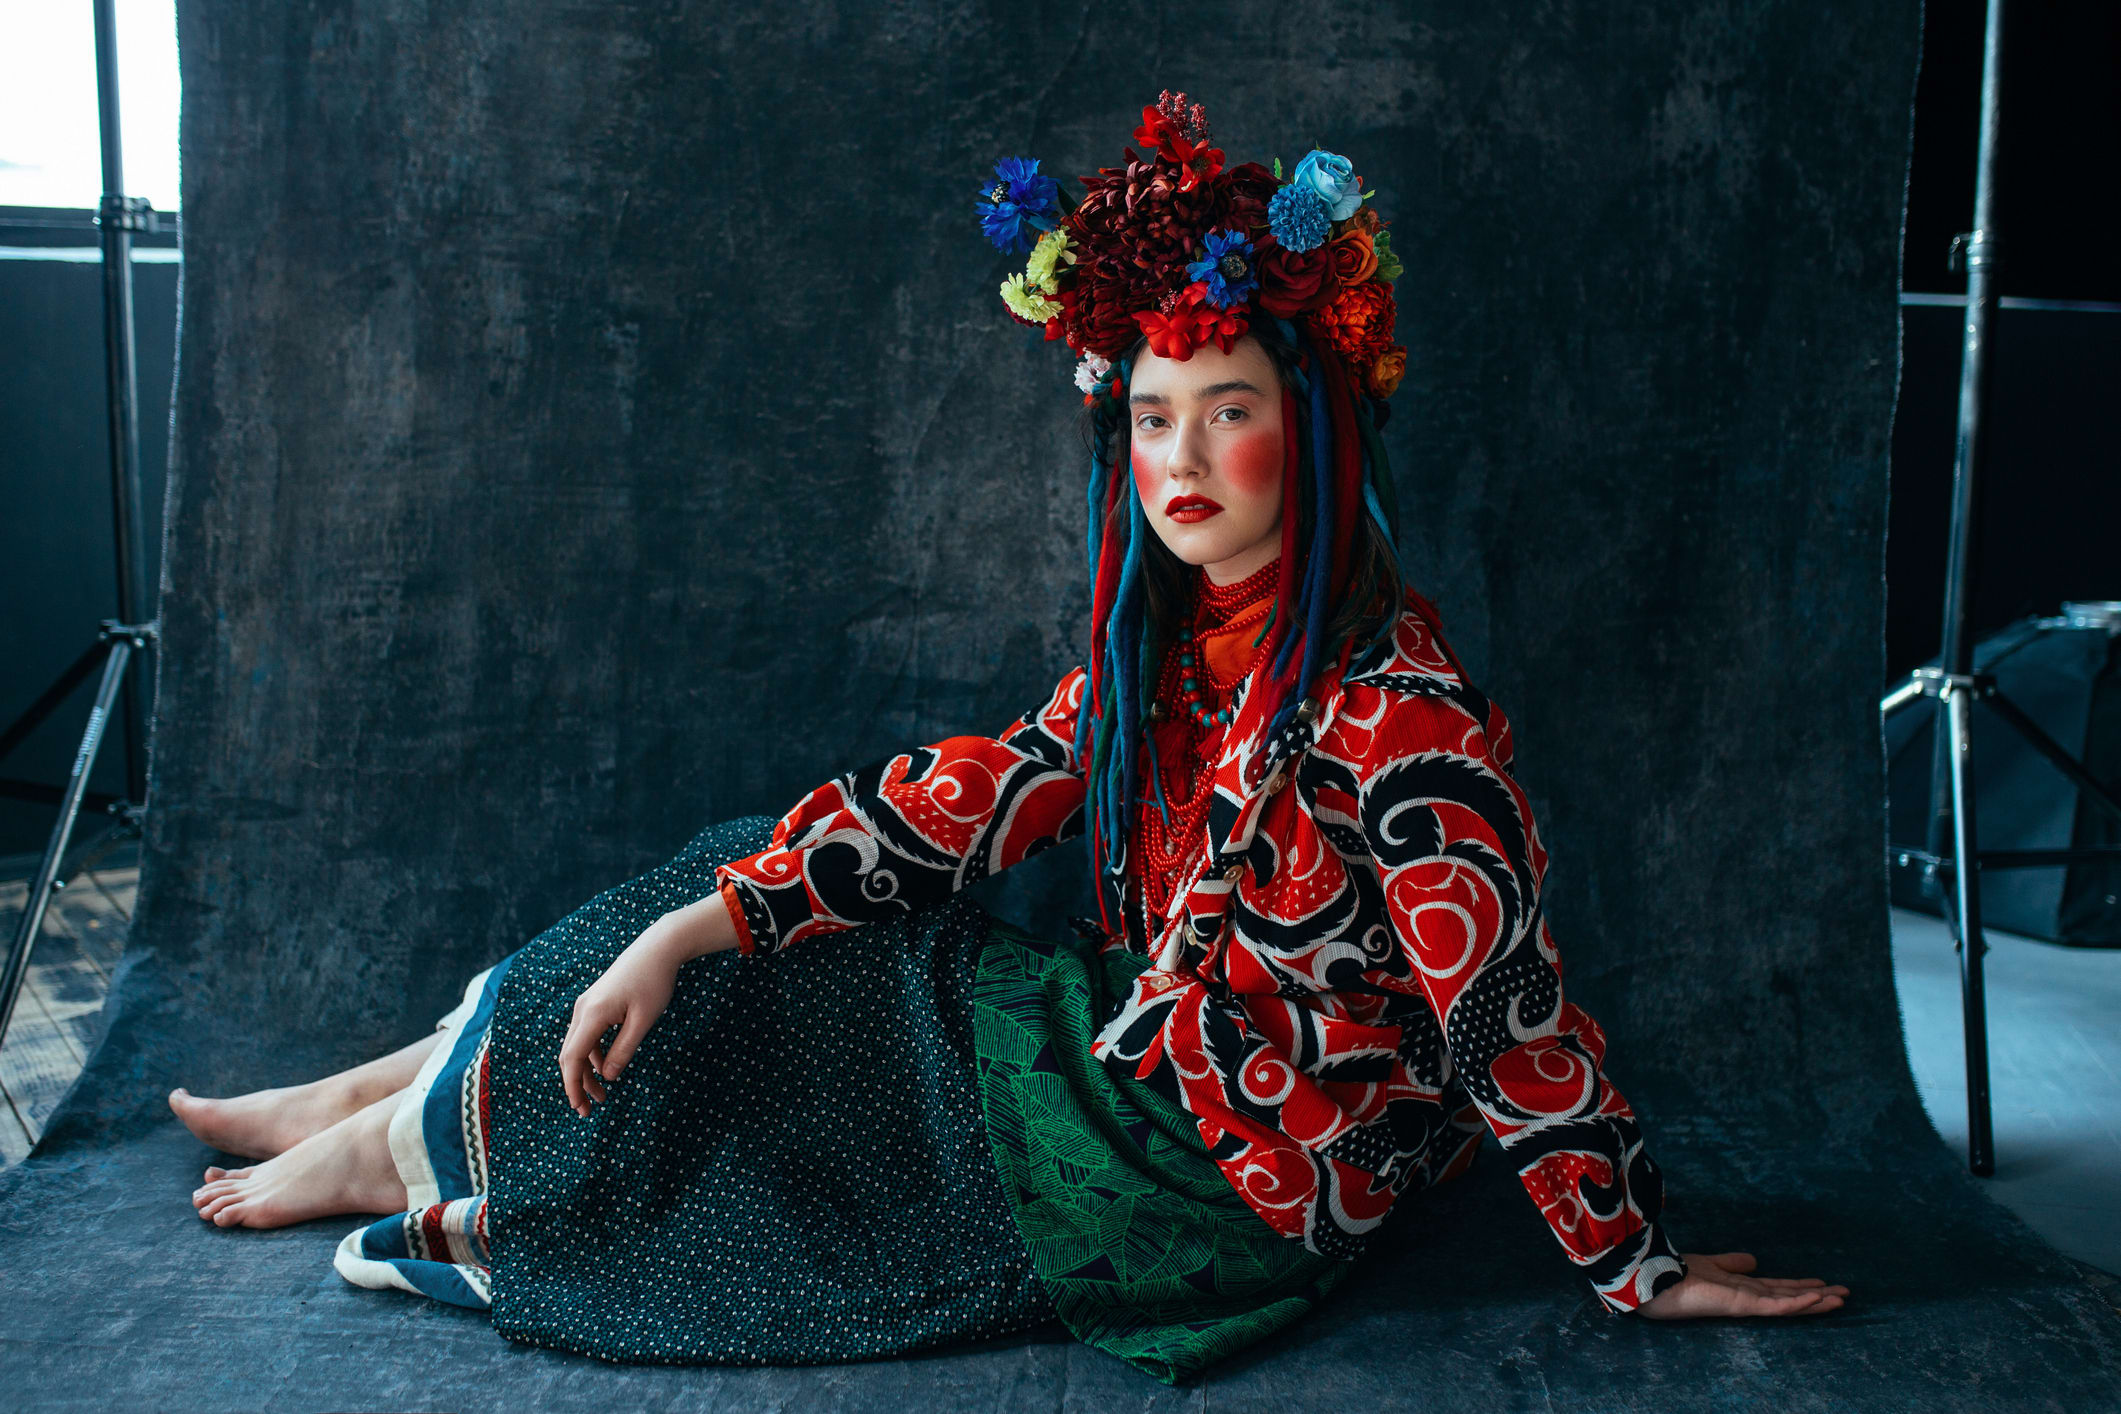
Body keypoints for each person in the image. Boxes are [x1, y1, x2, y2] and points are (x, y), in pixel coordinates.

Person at [167, 92, 1847, 1383]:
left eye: (1231, 409)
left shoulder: (1396, 717)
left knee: (785, 1046)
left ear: (1313, 431)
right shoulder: (1179, 644)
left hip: (1220, 1171)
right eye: (1151, 416)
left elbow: (1506, 1009)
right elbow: (982, 794)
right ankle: (396, 1080)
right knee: (728, 902)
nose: (1181, 455)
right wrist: (703, 923)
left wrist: (1634, 1259)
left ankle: (400, 1132)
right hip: (1123, 1051)